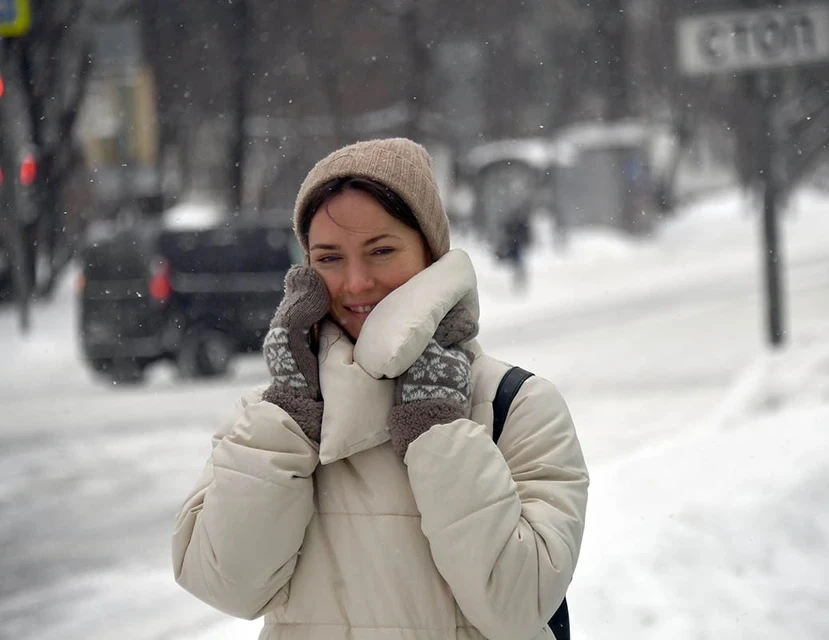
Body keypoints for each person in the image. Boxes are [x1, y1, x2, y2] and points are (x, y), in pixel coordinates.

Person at [172, 137, 589, 640]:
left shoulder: (516, 406)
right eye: (329, 258)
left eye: (382, 251)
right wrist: (290, 411)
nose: (355, 282)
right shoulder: (270, 417)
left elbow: (517, 605)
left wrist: (437, 428)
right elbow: (228, 586)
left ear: (432, 255)